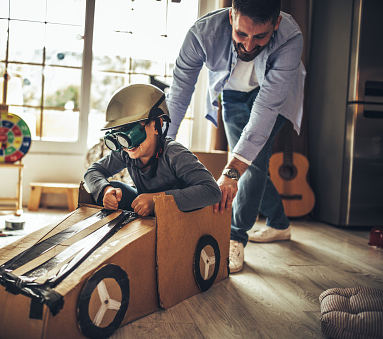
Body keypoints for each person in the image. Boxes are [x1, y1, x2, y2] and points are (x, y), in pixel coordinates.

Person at [166, 0, 306, 273]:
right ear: (231, 16)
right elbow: (179, 94)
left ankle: (235, 237)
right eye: (242, 34)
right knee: (250, 162)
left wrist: (231, 172)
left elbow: (265, 109)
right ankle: (279, 223)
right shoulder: (200, 35)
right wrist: (162, 147)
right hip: (230, 91)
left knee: (248, 161)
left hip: (273, 97)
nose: (250, 46)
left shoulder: (290, 38)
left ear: (276, 24)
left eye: (260, 36)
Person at [84, 83, 221, 217]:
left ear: (157, 125)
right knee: (115, 188)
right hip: (150, 218)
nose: (127, 145)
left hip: (179, 217)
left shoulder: (174, 153)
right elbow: (93, 171)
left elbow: (212, 191)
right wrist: (106, 190)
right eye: (120, 135)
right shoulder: (125, 151)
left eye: (132, 131)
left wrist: (157, 200)